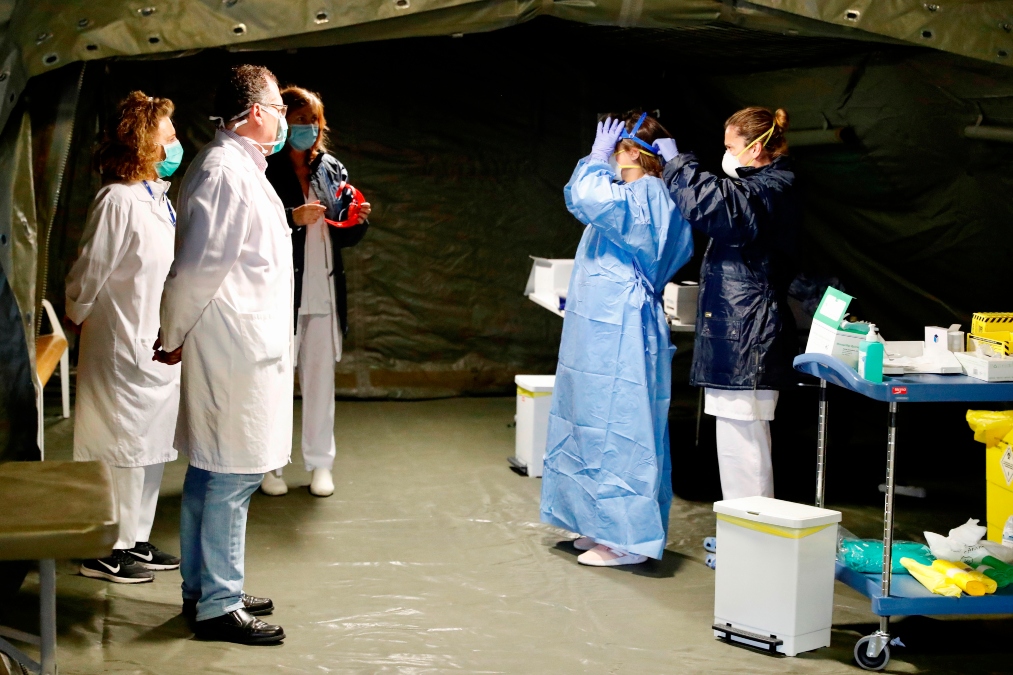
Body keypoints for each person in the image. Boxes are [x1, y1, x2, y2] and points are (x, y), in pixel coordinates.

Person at [155, 64, 292, 645]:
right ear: (257, 113)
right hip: (233, 347)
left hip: (239, 342)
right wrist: (172, 332)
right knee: (231, 476)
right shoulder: (223, 173)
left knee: (212, 472)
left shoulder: (239, 169)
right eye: (280, 108)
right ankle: (218, 603)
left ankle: (206, 587)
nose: (286, 119)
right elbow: (197, 267)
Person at [540, 111, 694, 567]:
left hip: (623, 328)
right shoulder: (628, 194)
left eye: (614, 150)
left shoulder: (648, 193)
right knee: (588, 421)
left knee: (623, 428)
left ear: (630, 151)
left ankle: (628, 539)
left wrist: (592, 159)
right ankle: (598, 523)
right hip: (599, 329)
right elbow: (588, 202)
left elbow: (586, 197)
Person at [65, 91, 183, 584]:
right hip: (118, 341)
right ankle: (101, 547)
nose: (177, 144)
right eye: (169, 137)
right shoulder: (117, 200)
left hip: (153, 343)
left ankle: (133, 539)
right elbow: (90, 270)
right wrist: (77, 314)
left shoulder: (158, 199)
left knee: (149, 448)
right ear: (142, 145)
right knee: (116, 446)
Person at [658, 106, 799, 504]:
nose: (725, 154)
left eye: (730, 146)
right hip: (739, 336)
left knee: (746, 450)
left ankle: (755, 540)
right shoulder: (760, 188)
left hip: (750, 338)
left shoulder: (771, 190)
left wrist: (677, 164)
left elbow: (716, 205)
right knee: (737, 447)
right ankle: (745, 538)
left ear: (755, 149)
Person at [262, 86, 371, 498]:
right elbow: (252, 230)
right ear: (282, 121)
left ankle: (320, 464)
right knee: (274, 383)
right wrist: (292, 218)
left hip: (324, 292)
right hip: (280, 295)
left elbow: (343, 235)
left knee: (321, 383)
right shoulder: (265, 169)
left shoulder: (331, 168)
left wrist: (357, 221)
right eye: (298, 119)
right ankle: (270, 466)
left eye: (312, 120)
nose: (305, 127)